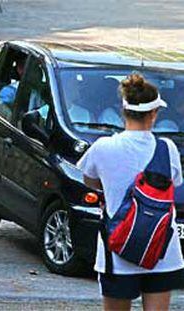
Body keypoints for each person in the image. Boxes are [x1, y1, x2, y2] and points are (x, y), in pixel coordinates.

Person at [77, 74, 184, 310]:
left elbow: (89, 179)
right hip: (161, 252)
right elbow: (174, 183)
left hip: (117, 251)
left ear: (123, 111)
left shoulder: (103, 147)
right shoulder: (168, 148)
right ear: (154, 114)